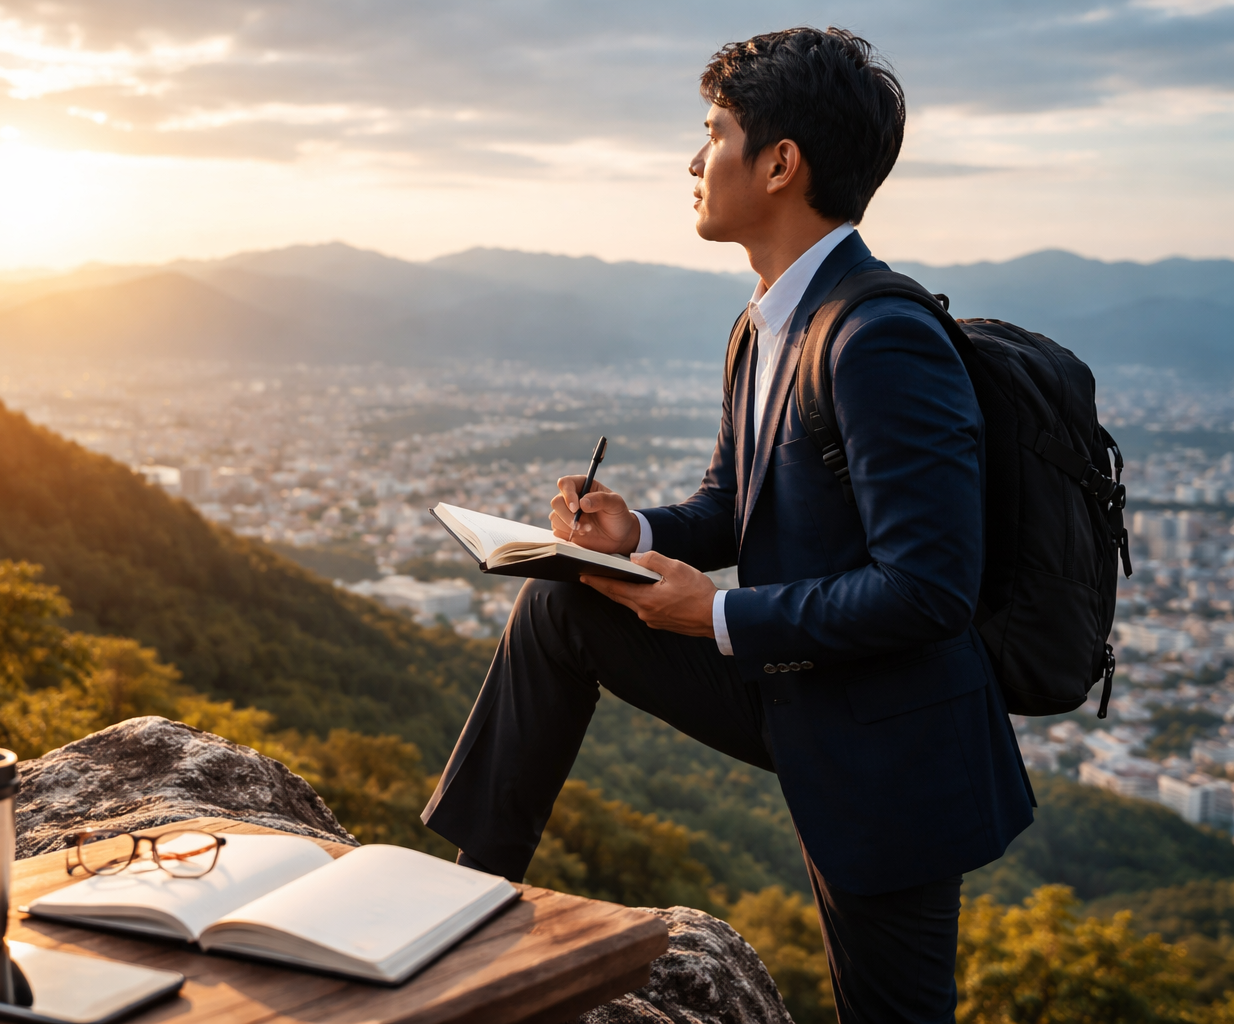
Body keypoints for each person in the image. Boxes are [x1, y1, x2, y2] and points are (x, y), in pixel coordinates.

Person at [421, 26, 1034, 1023]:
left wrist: (712, 615)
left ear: (781, 163)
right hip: (796, 682)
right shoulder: (763, 325)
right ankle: (467, 898)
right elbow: (730, 505)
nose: (694, 161)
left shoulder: (879, 338)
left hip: (892, 738)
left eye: (714, 133)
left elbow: (929, 589)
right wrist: (632, 532)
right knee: (562, 602)